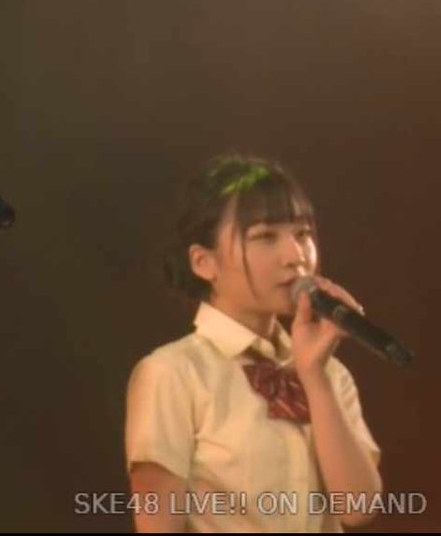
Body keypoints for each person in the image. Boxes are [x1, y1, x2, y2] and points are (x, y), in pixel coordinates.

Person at [125, 153, 382, 532]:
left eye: (302, 234)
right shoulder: (172, 373)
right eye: (265, 237)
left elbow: (358, 509)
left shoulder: (329, 372)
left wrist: (314, 376)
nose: (296, 256)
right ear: (203, 262)